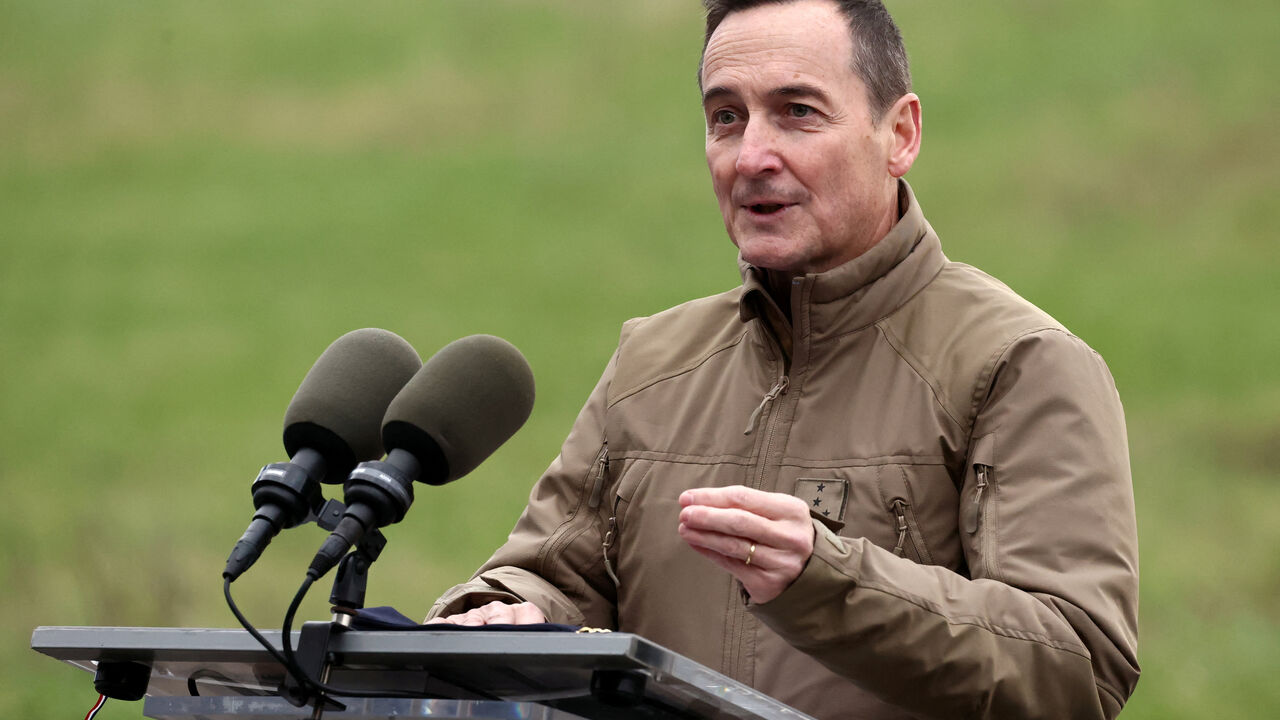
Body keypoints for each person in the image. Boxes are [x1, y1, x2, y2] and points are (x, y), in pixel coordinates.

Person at [426, 1, 1140, 718]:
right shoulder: (651, 362)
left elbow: (1078, 668)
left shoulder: (1020, 363)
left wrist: (824, 581)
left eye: (797, 111)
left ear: (900, 134)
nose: (751, 156)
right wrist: (502, 613)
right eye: (726, 117)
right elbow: (550, 579)